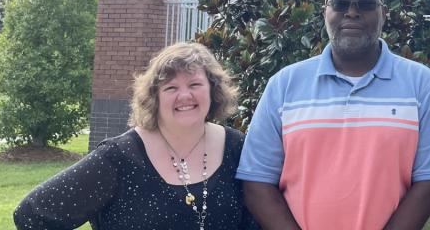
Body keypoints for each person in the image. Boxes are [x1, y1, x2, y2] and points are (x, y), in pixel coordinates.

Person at [236, 0, 430, 230]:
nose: (352, 12)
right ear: (325, 13)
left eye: (365, 4)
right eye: (340, 4)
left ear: (383, 15)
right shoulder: (284, 85)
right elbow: (256, 180)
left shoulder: (421, 84)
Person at [14, 42, 259, 229]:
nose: (185, 96)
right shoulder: (119, 157)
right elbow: (31, 215)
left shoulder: (236, 147)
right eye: (171, 88)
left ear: (213, 90)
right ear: (155, 97)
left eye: (195, 85)